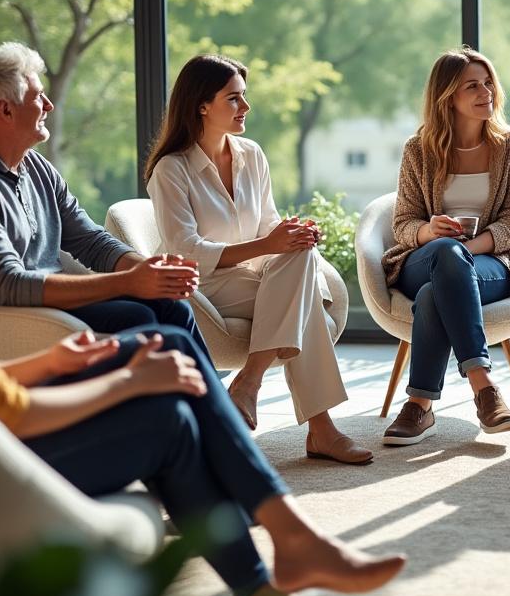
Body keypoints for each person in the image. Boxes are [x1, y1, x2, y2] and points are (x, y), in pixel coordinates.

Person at [0, 36, 406, 596]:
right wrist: (126, 374)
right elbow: (0, 341)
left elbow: (83, 245)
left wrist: (145, 271)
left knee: (166, 322)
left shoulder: (28, 174)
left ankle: (268, 565)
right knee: (166, 375)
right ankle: (276, 531)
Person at [145, 54, 370, 464]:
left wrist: (291, 234)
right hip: (203, 288)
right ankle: (321, 429)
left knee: (299, 257)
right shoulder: (171, 170)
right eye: (234, 99)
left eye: (244, 97)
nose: (245, 107)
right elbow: (186, 251)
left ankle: (250, 380)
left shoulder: (252, 154)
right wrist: (270, 245)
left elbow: (267, 224)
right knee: (305, 304)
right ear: (201, 105)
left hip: (255, 278)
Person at [0, 42, 207, 345]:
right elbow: (9, 285)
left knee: (172, 307)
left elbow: (90, 241)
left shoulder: (36, 166)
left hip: (53, 305)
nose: (49, 105)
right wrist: (127, 282)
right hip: (14, 320)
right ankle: (190, 391)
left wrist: (152, 272)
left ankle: (200, 393)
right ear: (6, 110)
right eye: (38, 96)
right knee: (140, 320)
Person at [380, 48, 510, 445]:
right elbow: (402, 224)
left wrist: (472, 246)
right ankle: (484, 387)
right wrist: (429, 232)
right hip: (426, 259)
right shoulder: (419, 150)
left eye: (488, 83)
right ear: (447, 96)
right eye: (472, 86)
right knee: (445, 257)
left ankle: (419, 405)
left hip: (493, 264)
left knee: (438, 290)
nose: (486, 92)